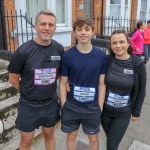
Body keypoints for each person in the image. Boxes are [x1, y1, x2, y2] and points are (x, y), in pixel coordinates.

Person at [7, 10, 64, 150]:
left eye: (51, 25)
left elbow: (59, 74)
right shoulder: (23, 51)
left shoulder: (59, 49)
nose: (47, 27)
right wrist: (28, 91)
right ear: (35, 26)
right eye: (43, 24)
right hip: (29, 105)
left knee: (49, 134)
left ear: (55, 28)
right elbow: (13, 79)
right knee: (26, 140)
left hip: (50, 104)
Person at [59, 16, 108, 150]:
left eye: (87, 29)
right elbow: (63, 83)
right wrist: (64, 105)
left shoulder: (101, 56)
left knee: (93, 138)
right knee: (71, 136)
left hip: (92, 107)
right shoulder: (67, 56)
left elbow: (102, 84)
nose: (83, 33)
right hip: (72, 106)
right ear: (74, 32)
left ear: (93, 31)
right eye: (79, 29)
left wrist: (100, 105)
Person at [101, 29, 147, 150]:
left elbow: (142, 90)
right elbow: (93, 77)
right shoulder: (107, 60)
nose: (118, 46)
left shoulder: (138, 64)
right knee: (111, 139)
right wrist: (70, 83)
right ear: (110, 45)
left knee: (111, 145)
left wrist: (136, 111)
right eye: (114, 43)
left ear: (128, 43)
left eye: (121, 42)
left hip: (123, 113)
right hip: (105, 111)